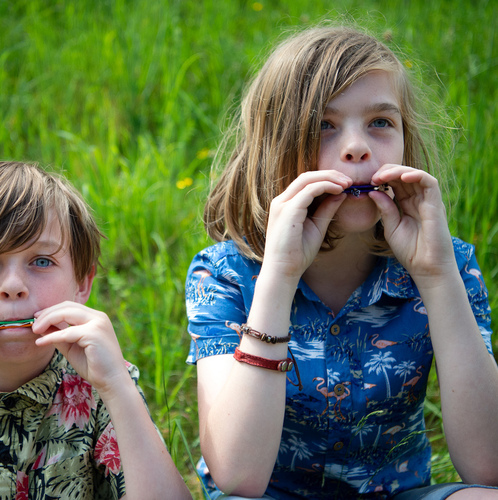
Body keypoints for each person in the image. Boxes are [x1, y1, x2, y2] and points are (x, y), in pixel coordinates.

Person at [185, 25, 498, 499]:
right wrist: (279, 277)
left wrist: (436, 278)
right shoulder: (225, 274)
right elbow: (237, 476)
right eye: (323, 126)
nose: (357, 147)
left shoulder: (448, 264)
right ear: (274, 148)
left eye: (380, 122)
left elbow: (488, 464)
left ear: (406, 141)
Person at [0, 161, 192, 499]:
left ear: (82, 283)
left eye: (42, 261)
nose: (14, 286)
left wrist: (119, 389)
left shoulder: (105, 388)